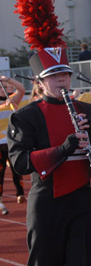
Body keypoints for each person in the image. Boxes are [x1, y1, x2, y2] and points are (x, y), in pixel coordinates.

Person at [8, 46, 91, 265]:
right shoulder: (27, 116)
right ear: (39, 82)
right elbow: (20, 163)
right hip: (46, 201)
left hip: (82, 200)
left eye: (64, 74)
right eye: (53, 76)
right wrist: (62, 150)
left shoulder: (90, 111)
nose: (61, 80)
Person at [0, 76, 26, 215]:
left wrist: (8, 79)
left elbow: (21, 89)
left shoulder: (12, 101)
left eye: (4, 86)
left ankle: (20, 193)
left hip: (11, 141)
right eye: (1, 87)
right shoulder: (5, 104)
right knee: (1, 171)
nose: (3, 89)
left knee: (17, 167)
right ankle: (0, 198)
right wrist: (4, 105)